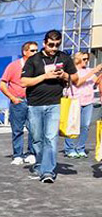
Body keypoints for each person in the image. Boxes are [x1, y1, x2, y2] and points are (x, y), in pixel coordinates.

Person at [21, 30, 80, 183]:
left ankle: (47, 171)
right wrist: (45, 76)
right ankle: (40, 164)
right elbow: (24, 82)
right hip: (35, 104)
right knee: (37, 139)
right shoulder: (34, 60)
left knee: (51, 138)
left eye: (57, 45)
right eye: (51, 45)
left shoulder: (64, 58)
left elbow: (75, 78)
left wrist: (64, 75)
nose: (54, 48)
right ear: (44, 43)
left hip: (55, 103)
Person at [0, 41, 38, 165]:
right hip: (18, 101)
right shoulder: (14, 66)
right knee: (17, 130)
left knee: (34, 129)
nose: (35, 53)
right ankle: (18, 155)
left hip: (34, 101)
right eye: (32, 50)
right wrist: (12, 97)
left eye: (37, 50)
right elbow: (2, 84)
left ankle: (31, 153)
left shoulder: (39, 66)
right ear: (25, 52)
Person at [63, 52, 102, 158]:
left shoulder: (89, 70)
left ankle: (80, 148)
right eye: (84, 59)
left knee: (85, 126)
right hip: (75, 101)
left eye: (87, 59)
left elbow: (96, 81)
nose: (86, 61)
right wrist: (94, 71)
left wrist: (99, 73)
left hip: (88, 101)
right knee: (72, 125)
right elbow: (78, 82)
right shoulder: (72, 71)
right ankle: (69, 148)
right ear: (78, 59)